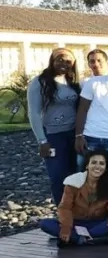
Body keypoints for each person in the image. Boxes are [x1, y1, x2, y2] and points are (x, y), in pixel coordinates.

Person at [27, 48, 81, 205]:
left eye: (68, 61)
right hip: (53, 136)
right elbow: (34, 113)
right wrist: (42, 141)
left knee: (75, 175)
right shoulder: (39, 82)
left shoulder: (73, 82)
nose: (64, 63)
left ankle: (78, 212)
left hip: (73, 135)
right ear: (52, 60)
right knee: (58, 177)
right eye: (60, 59)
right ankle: (63, 212)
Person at [39, 149, 108, 247]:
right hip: (74, 223)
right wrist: (66, 228)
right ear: (87, 165)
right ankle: (88, 240)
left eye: (102, 164)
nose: (97, 166)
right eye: (94, 162)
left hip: (96, 224)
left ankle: (76, 239)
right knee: (45, 224)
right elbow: (65, 207)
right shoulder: (73, 182)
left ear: (106, 168)